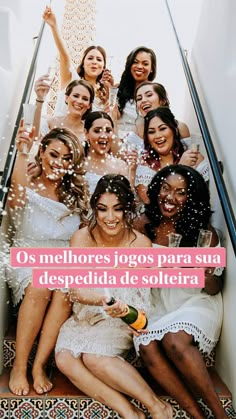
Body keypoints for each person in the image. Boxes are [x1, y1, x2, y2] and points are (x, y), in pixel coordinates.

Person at [54, 174, 172, 419]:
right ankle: (130, 413)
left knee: (94, 358)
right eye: (103, 209)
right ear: (94, 208)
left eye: (117, 209)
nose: (110, 218)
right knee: (64, 359)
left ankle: (156, 406)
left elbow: (142, 299)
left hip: (120, 317)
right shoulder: (82, 238)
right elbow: (75, 289)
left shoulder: (141, 244)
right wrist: (102, 300)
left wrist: (123, 311)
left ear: (127, 209)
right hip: (85, 315)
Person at [133, 165, 227, 419]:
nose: (170, 197)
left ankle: (220, 414)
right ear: (157, 189)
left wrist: (204, 273)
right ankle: (195, 414)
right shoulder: (143, 224)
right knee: (147, 346)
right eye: (166, 188)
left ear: (192, 198)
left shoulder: (204, 233)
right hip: (157, 301)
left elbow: (214, 287)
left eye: (181, 192)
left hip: (193, 300)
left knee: (174, 340)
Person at [7, 124, 89, 396]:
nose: (59, 163)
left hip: (62, 260)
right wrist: (21, 152)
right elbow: (15, 204)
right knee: (40, 284)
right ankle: (20, 366)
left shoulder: (74, 193)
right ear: (41, 152)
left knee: (65, 288)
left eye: (67, 159)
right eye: (54, 155)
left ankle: (39, 365)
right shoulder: (26, 180)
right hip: (27, 254)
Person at [43, 6, 113, 115]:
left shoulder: (103, 94)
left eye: (99, 59)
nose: (94, 61)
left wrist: (109, 89)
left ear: (103, 67)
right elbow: (64, 55)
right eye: (90, 58)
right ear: (83, 64)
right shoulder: (71, 79)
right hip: (60, 131)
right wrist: (54, 26)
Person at [135, 107, 208, 204]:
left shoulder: (194, 158)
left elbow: (202, 200)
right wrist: (181, 168)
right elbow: (153, 206)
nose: (158, 136)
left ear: (174, 130)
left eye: (163, 128)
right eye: (152, 132)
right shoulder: (143, 168)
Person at [83, 111, 137, 196]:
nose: (104, 136)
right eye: (97, 131)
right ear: (86, 133)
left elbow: (128, 200)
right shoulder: (77, 162)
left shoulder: (120, 166)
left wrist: (132, 171)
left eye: (108, 131)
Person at [33, 78, 94, 143]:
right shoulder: (50, 122)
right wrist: (40, 99)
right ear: (67, 98)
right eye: (76, 96)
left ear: (89, 105)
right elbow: (34, 138)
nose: (79, 101)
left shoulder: (89, 134)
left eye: (85, 99)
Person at [115, 46, 157, 137]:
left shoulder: (155, 93)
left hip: (142, 140)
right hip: (117, 139)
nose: (139, 67)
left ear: (152, 68)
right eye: (135, 62)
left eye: (145, 64)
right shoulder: (118, 89)